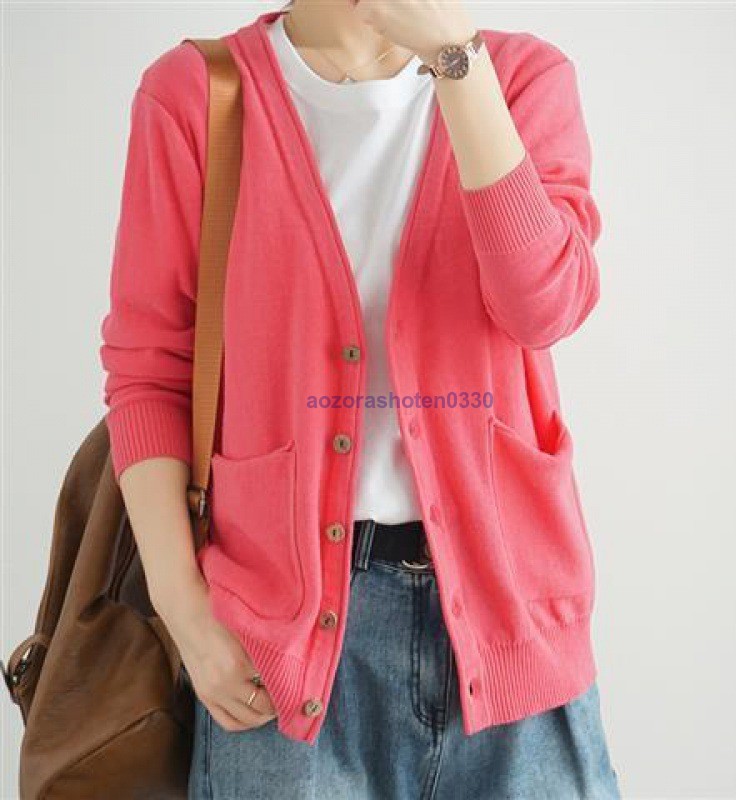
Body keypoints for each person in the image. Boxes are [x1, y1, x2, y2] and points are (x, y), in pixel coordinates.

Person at [99, 1, 621, 797]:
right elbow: (149, 370)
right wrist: (185, 612)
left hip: (511, 625)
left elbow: (543, 306)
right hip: (275, 651)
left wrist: (456, 61)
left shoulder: (520, 79)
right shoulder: (198, 94)